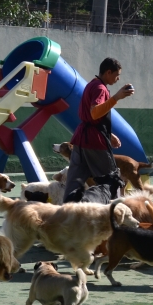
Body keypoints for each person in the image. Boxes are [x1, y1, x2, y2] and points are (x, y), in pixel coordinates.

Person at [62, 57, 134, 203]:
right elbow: (95, 112)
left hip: (81, 139)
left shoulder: (91, 85)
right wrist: (117, 97)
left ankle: (68, 212)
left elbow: (91, 118)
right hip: (94, 141)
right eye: (117, 75)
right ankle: (114, 214)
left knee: (74, 181)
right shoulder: (100, 88)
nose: (118, 78)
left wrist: (109, 134)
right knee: (111, 180)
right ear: (108, 72)